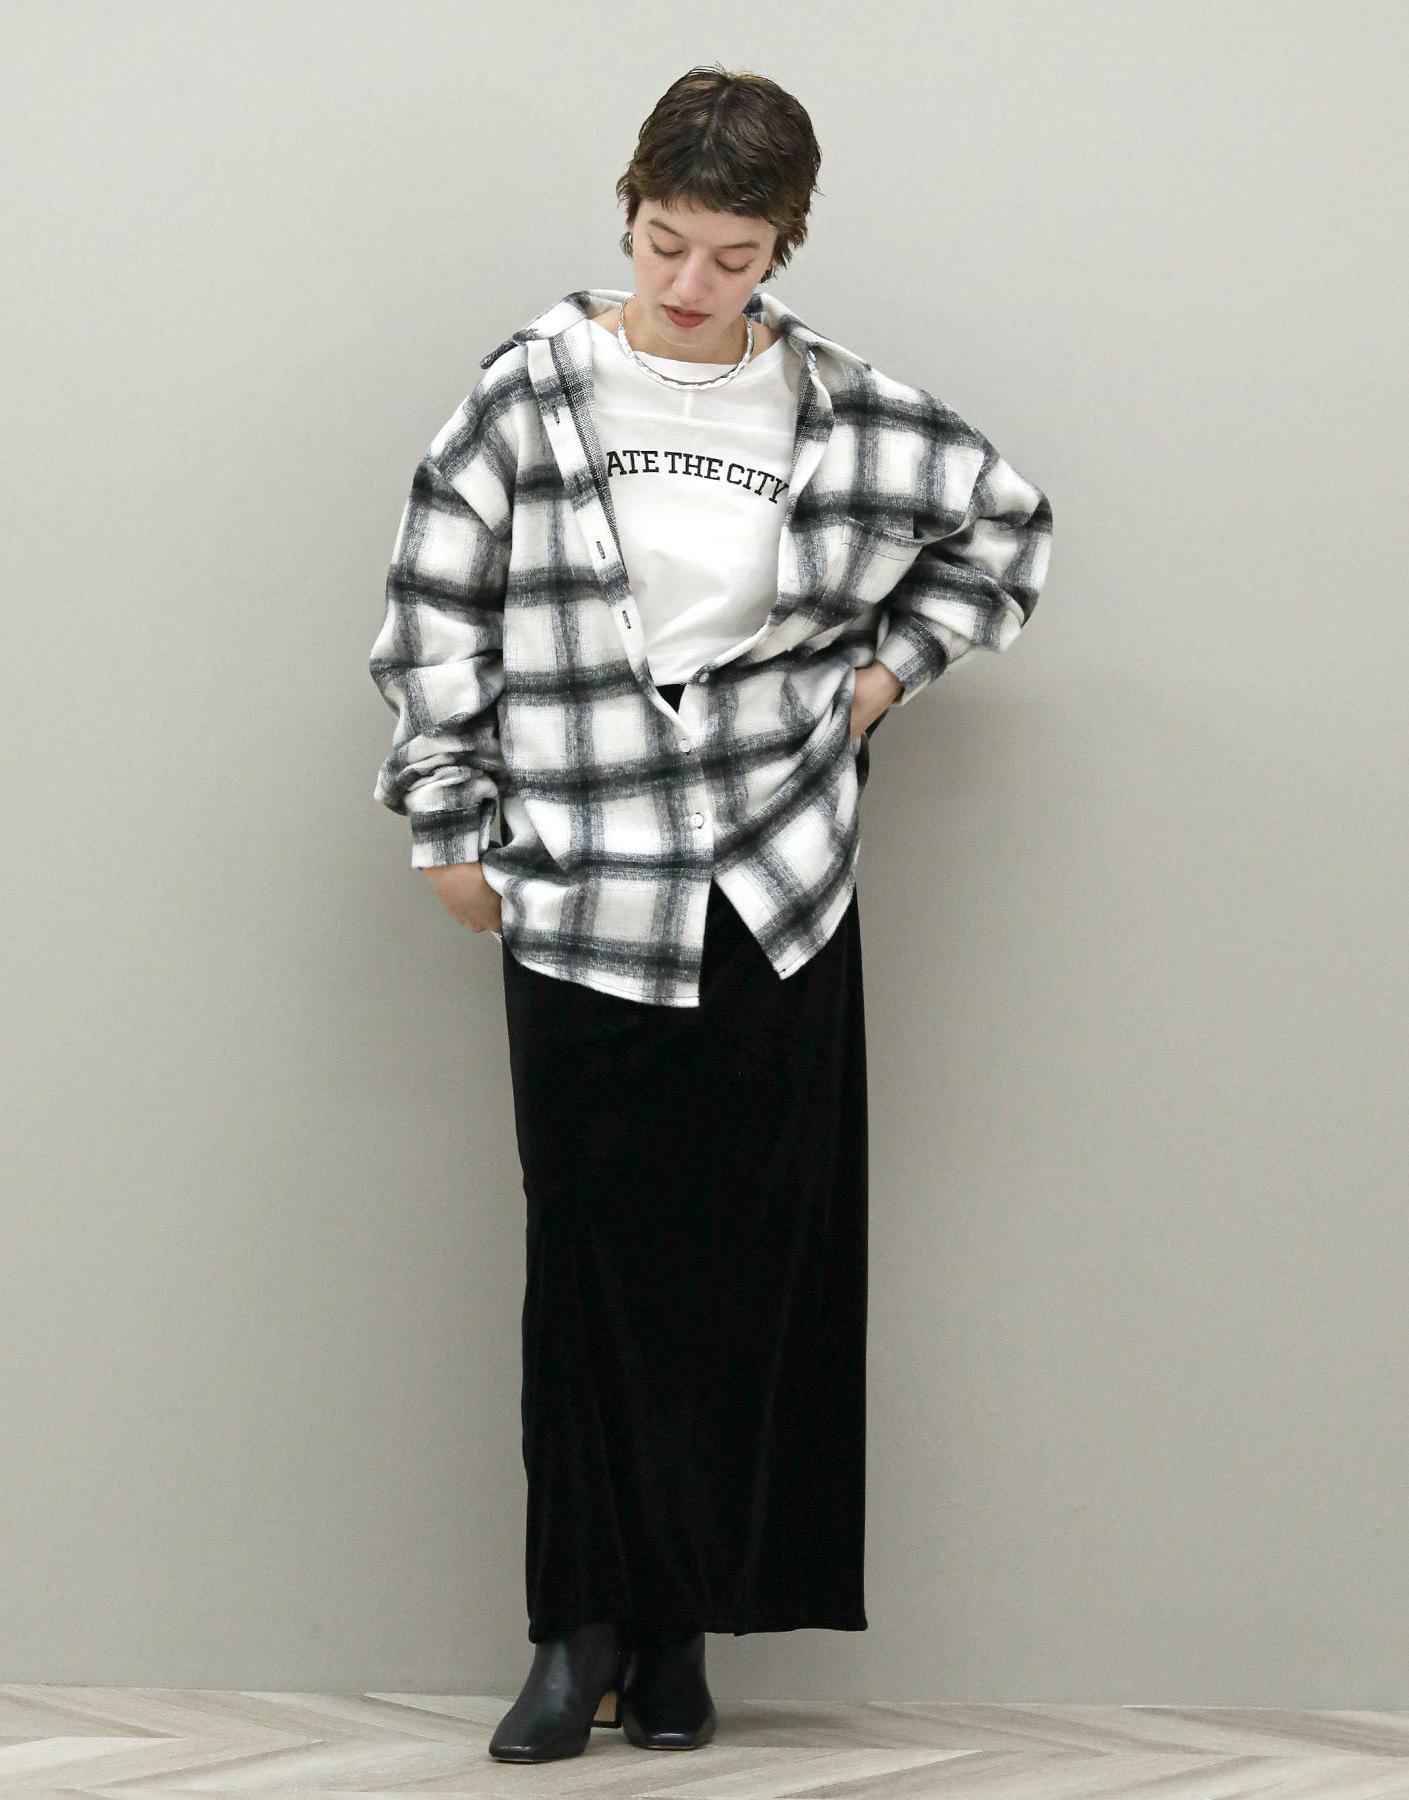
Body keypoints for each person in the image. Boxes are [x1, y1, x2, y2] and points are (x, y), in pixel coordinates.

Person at [368, 63, 1054, 1765]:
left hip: (772, 888)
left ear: (780, 247)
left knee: (747, 1277)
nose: (689, 284)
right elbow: (435, 608)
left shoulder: (840, 408)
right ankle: (574, 1630)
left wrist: (878, 683)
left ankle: (681, 1640)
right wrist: (448, 819)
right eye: (665, 242)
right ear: (630, 214)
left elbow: (1004, 530)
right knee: (590, 1273)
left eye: (731, 257)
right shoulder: (532, 393)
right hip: (583, 883)